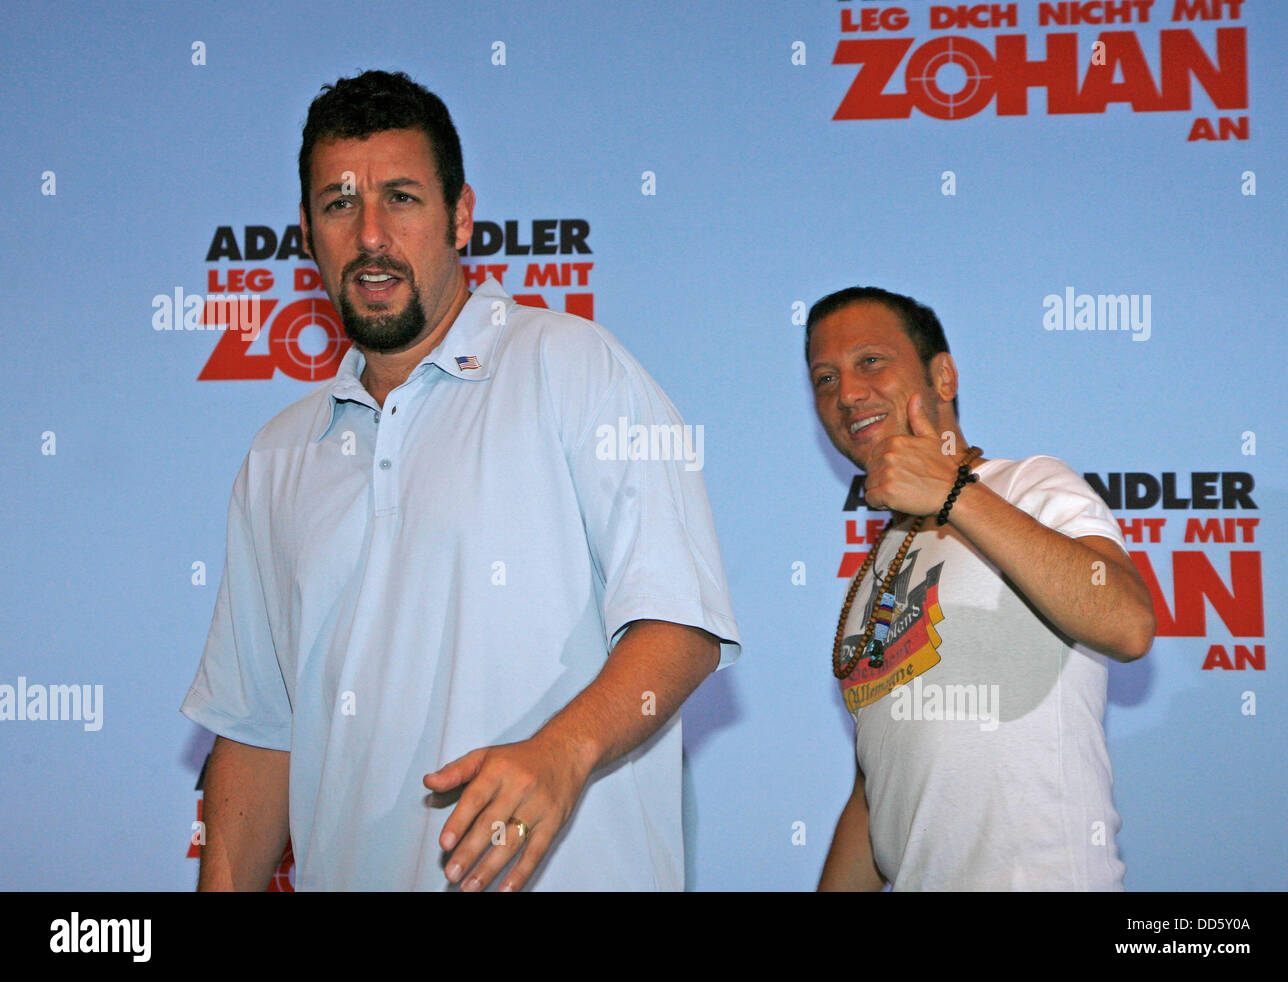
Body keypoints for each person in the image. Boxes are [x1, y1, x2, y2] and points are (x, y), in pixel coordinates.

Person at [181, 70, 740, 892]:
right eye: (339, 205)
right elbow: (261, 733)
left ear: (460, 215)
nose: (371, 234)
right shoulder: (277, 457)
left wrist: (562, 752)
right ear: (306, 233)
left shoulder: (570, 366)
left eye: (401, 198)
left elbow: (681, 627)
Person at [808, 287, 1155, 891]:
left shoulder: (1026, 485)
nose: (848, 393)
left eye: (871, 361)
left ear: (943, 376)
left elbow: (1127, 623)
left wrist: (954, 495)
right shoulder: (882, 562)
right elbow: (878, 786)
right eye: (825, 377)